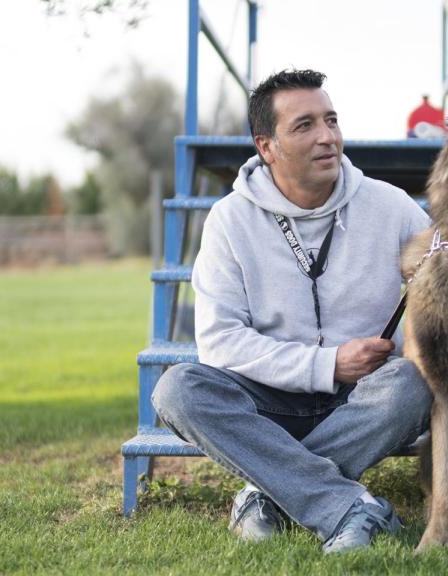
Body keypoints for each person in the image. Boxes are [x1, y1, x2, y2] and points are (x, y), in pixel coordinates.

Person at [151, 69, 432, 554]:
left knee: (414, 382)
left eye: (331, 120)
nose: (327, 137)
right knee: (178, 389)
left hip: (364, 400)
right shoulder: (229, 220)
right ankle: (347, 507)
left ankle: (266, 492)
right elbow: (219, 342)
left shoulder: (392, 206)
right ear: (266, 146)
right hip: (268, 401)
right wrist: (327, 363)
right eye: (304, 126)